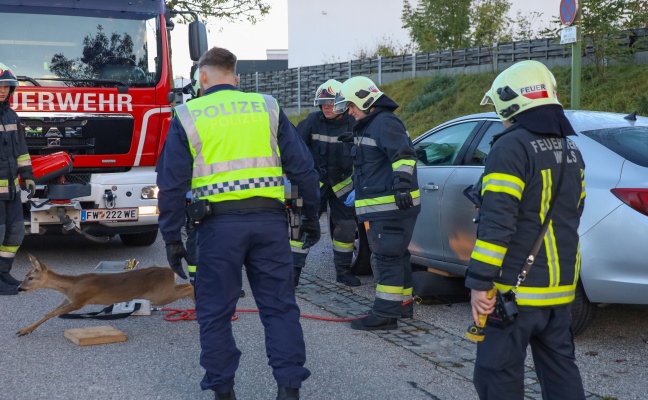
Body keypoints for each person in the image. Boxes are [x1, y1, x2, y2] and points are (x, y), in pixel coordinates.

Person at [156, 47, 320, 400]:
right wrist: (311, 216)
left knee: (215, 313)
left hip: (215, 229)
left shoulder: (187, 114)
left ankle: (223, 391)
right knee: (279, 307)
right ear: (237, 77)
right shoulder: (267, 107)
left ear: (202, 77)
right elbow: (304, 169)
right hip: (270, 224)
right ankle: (289, 389)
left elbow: (171, 184)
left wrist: (171, 237)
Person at [465, 60, 586, 399]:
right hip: (560, 290)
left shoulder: (510, 147)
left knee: (496, 374)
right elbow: (576, 211)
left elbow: (497, 224)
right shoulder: (571, 149)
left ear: (511, 101)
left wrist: (479, 284)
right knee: (561, 371)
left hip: (511, 292)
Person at [333, 76, 420, 330]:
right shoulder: (374, 124)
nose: (349, 112)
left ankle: (385, 314)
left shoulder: (384, 122)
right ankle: (402, 306)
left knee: (387, 258)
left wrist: (403, 184)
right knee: (397, 256)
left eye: (351, 106)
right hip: (389, 206)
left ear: (365, 100)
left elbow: (403, 154)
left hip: (391, 206)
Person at [292, 79, 359, 287]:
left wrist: (359, 183)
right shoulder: (311, 122)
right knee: (299, 228)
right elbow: (293, 150)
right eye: (322, 103)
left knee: (346, 230)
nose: (326, 107)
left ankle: (343, 271)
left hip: (344, 188)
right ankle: (292, 274)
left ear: (342, 103)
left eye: (330, 102)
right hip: (314, 186)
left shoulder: (354, 124)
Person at [0, 63, 35, 296]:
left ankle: (3, 273)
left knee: (14, 232)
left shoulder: (11, 115)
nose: (2, 90)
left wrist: (28, 176)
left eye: (6, 87)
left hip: (12, 190)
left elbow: (21, 150)